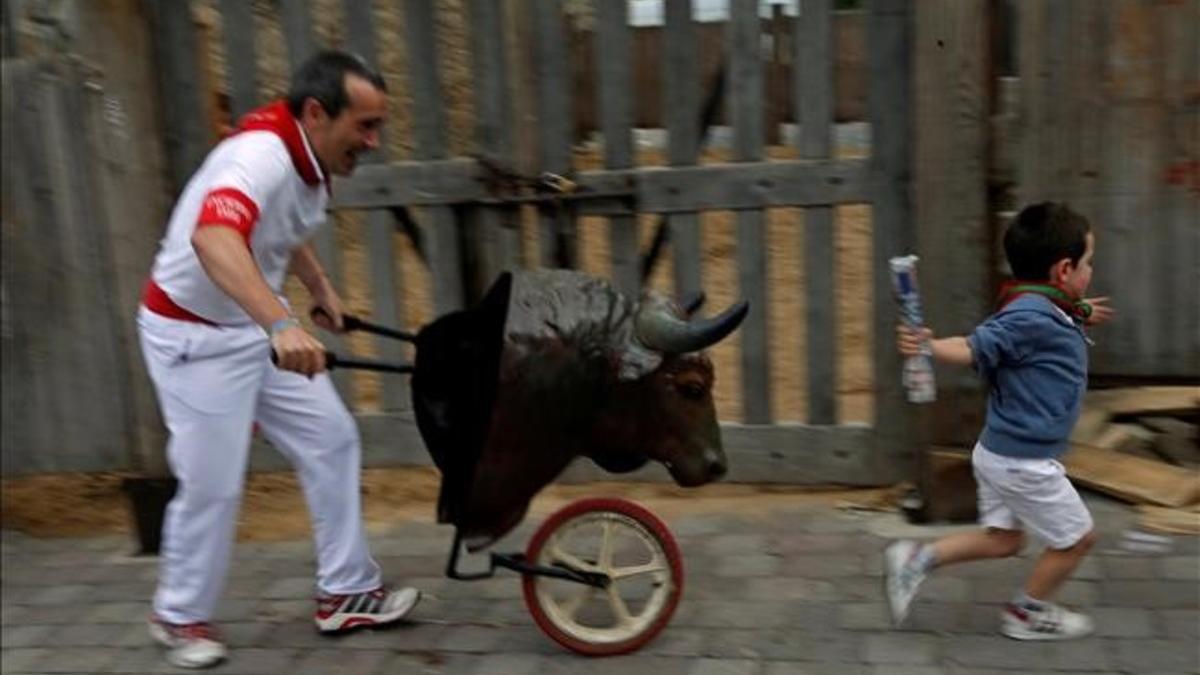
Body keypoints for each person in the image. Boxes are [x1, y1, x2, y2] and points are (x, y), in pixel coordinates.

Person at [138, 50, 419, 669]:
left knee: (333, 438)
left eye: (378, 126)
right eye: (365, 126)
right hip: (194, 338)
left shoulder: (310, 153)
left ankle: (346, 592)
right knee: (212, 483)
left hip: (249, 324)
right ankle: (178, 615)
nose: (373, 141)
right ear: (318, 112)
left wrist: (319, 290)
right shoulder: (257, 156)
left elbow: (281, 228)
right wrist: (283, 323)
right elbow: (215, 238)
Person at [885, 202, 1114, 641]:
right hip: (1023, 462)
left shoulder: (1043, 304)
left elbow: (1047, 318)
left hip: (1000, 451)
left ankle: (916, 558)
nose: (1091, 271)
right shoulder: (1028, 316)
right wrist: (928, 347)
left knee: (1004, 540)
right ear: (1064, 270)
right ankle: (1027, 613)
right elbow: (975, 346)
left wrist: (1081, 310)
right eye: (1088, 263)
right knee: (1077, 539)